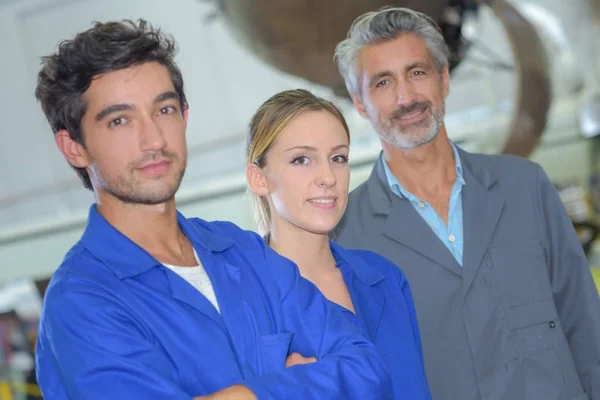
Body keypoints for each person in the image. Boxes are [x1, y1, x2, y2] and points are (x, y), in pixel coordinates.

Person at [33, 19, 393, 400]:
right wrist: (296, 386)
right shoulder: (82, 304)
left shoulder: (243, 251)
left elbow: (368, 369)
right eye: (120, 120)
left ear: (185, 117)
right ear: (74, 146)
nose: (153, 139)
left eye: (164, 110)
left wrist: (244, 395)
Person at [333, 6, 600, 400]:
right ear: (359, 103)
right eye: (383, 83)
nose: (405, 97)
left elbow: (584, 323)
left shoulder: (524, 185)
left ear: (444, 79)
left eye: (417, 72)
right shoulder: (345, 235)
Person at [245, 88, 431, 399]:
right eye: (302, 159)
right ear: (259, 178)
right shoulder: (242, 299)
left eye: (338, 158)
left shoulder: (384, 278)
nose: (328, 176)